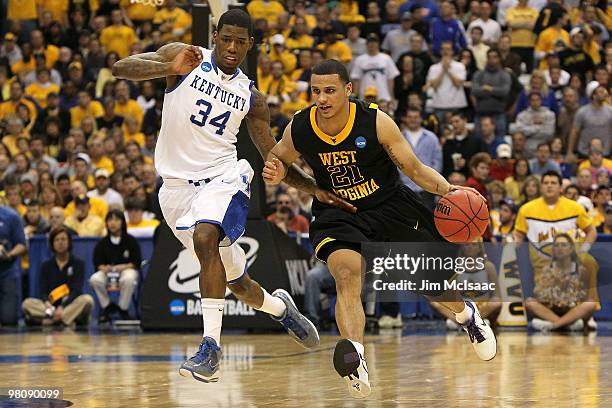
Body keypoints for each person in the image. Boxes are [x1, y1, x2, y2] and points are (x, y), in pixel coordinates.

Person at [112, 9, 339, 383]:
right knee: (239, 284)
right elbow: (122, 67)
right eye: (227, 38)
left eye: (241, 41)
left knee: (206, 236)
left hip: (222, 178)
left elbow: (272, 153)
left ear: (250, 45)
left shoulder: (251, 96)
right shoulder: (185, 57)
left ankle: (210, 348)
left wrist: (314, 188)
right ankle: (281, 308)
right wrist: (167, 67)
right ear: (216, 36)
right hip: (175, 192)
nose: (233, 47)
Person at [264, 60, 497, 398]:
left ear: (348, 90)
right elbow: (277, 158)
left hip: (391, 206)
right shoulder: (300, 127)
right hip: (339, 212)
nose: (322, 98)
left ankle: (467, 315)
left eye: (330, 91)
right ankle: (355, 356)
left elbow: (415, 170)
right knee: (346, 274)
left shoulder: (375, 121)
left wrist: (450, 191)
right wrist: (281, 173)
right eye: (316, 91)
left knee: (432, 285)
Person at [22, 227, 93, 327]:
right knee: (27, 303)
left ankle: (51, 321)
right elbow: (43, 291)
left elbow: (77, 290)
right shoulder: (46, 265)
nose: (60, 243)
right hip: (50, 307)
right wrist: (47, 303)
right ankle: (65, 320)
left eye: (63, 239)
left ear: (69, 242)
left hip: (69, 304)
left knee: (87, 300)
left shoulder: (78, 263)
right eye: (57, 240)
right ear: (52, 244)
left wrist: (63, 307)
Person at [526, 233, 596, 331]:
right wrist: (553, 289)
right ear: (553, 250)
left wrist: (569, 291)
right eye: (557, 245)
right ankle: (566, 325)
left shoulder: (581, 271)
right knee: (530, 302)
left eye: (563, 245)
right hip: (552, 310)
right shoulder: (547, 270)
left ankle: (554, 325)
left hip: (571, 310)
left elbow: (586, 298)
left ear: (571, 249)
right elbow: (539, 296)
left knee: (590, 304)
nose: (560, 248)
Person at [89, 210, 140, 323]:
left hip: (126, 270)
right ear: (106, 223)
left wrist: (123, 267)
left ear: (122, 222)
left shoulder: (130, 240)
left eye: (116, 219)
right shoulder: (102, 243)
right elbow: (98, 263)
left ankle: (123, 309)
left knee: (129, 278)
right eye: (110, 220)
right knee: (94, 279)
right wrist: (104, 268)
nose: (113, 223)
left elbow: (136, 262)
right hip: (108, 273)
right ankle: (107, 307)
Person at [398, 108, 442, 209]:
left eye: (416, 117)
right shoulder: (398, 137)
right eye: (410, 117)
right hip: (404, 188)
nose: (413, 120)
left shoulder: (432, 138)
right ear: (405, 119)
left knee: (427, 222)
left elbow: (437, 162)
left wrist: (431, 181)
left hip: (427, 189)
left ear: (421, 119)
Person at [423, 41, 468, 124]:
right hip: (439, 105)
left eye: (448, 49)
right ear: (440, 51)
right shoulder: (433, 68)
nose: (445, 51)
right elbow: (434, 85)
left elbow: (458, 84)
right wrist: (443, 70)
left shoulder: (460, 66)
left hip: (456, 105)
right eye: (443, 49)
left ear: (452, 51)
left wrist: (448, 70)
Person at [567, 85, 611, 161]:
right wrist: (570, 152)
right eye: (600, 92)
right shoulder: (582, 112)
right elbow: (574, 132)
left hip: (604, 152)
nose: (604, 93)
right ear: (593, 95)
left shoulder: (610, 111)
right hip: (585, 152)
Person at [0, 205, 27, 325]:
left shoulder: (11, 216)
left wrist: (9, 254)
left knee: (9, 319)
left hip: (7, 271)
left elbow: (21, 244)